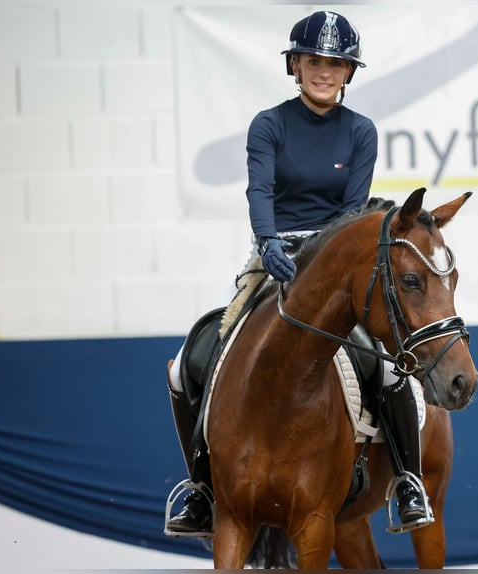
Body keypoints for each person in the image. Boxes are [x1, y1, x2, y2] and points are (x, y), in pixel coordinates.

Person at [165, 10, 431, 537]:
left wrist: (317, 256)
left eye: (336, 64)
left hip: (331, 267)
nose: (324, 72)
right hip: (271, 258)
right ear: (295, 65)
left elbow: (353, 211)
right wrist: (268, 243)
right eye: (314, 61)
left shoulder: (361, 131)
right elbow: (258, 192)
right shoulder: (270, 124)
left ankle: (406, 481)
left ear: (349, 72)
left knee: (385, 368)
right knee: (189, 363)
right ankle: (200, 486)